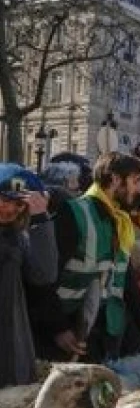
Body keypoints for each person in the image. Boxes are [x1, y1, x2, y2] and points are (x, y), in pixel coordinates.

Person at [37, 152, 140, 362]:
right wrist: (57, 327)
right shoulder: (74, 213)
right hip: (66, 334)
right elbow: (46, 276)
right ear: (115, 179)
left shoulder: (118, 220)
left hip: (101, 332)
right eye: (135, 181)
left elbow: (124, 277)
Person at [0, 165, 55, 387]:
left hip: (10, 344)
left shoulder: (20, 239)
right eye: (4, 200)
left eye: (19, 204)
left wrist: (41, 219)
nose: (10, 209)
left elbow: (44, 275)